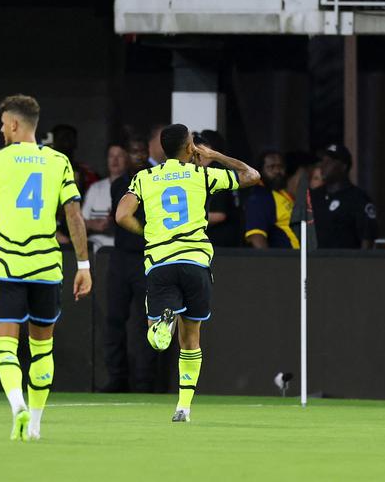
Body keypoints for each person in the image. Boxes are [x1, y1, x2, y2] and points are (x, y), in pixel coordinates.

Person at [114, 123, 260, 423]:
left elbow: (121, 215)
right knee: (191, 339)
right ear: (190, 147)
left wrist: (146, 232)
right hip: (195, 262)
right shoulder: (202, 175)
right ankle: (183, 407)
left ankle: (161, 324)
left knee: (156, 338)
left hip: (161, 262)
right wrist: (216, 155)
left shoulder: (145, 177)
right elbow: (252, 176)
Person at [0, 95, 92, 441]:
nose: (1, 130)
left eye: (3, 124)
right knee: (42, 349)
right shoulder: (59, 162)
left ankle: (17, 406)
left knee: (5, 346)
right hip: (46, 266)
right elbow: (74, 216)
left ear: (13, 124)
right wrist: (83, 265)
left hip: (8, 264)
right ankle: (35, 425)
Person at [101, 135, 156, 393]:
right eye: (134, 151)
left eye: (142, 151)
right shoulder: (120, 184)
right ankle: (117, 378)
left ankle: (145, 381)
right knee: (114, 318)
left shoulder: (156, 180)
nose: (139, 155)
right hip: (122, 257)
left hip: (148, 257)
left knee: (147, 321)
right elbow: (122, 217)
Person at [309, 144, 378, 249]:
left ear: (343, 166)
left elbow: (367, 239)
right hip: (315, 258)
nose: (323, 166)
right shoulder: (313, 196)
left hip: (345, 258)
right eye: (323, 161)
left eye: (329, 162)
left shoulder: (358, 199)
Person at [244, 151, 299, 249]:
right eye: (271, 167)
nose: (277, 171)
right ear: (260, 171)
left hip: (301, 255)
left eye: (280, 166)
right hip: (285, 256)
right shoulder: (260, 197)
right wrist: (268, 258)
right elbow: (256, 236)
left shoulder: (280, 192)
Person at [82, 144, 130, 252]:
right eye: (111, 156)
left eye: (119, 156)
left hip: (123, 247)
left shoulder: (134, 187)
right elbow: (80, 223)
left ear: (127, 159)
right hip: (95, 247)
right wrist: (93, 224)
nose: (115, 160)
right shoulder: (95, 188)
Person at [50, 124, 99, 194]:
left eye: (69, 138)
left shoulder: (87, 173)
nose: (65, 143)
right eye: (60, 139)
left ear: (75, 142)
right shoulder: (44, 169)